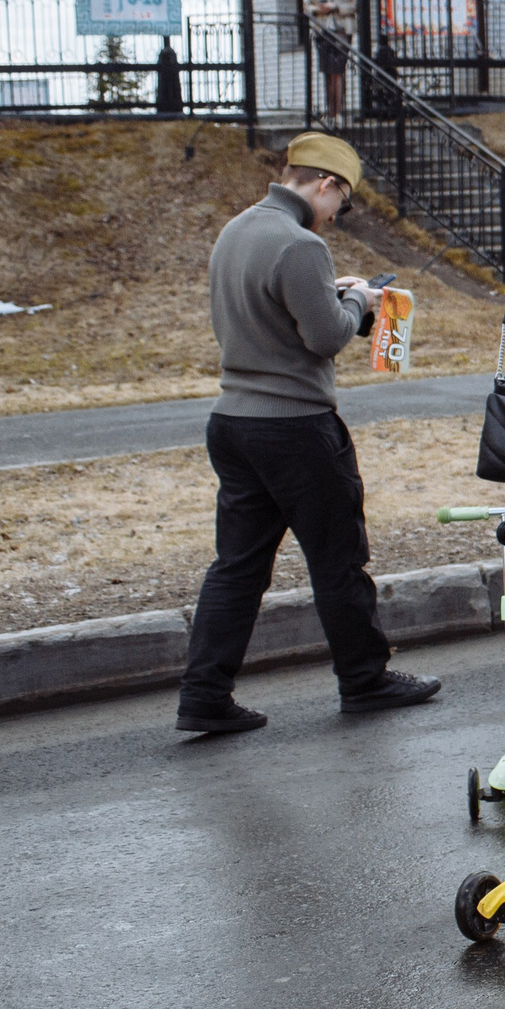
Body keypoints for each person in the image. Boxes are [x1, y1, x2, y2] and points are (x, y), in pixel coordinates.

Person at [175, 132, 440, 733]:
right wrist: (360, 305)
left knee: (237, 567)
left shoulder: (237, 229)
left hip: (234, 420)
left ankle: (204, 695)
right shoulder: (300, 244)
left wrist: (332, 294)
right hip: (296, 425)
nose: (338, 216)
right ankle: (365, 679)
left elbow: (271, 313)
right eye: (341, 203)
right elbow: (325, 337)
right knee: (338, 557)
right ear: (326, 183)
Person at [306, 0, 353, 121]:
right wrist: (317, 9)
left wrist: (336, 7)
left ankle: (339, 110)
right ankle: (330, 111)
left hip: (341, 28)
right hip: (323, 28)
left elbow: (355, 5)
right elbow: (308, 3)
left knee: (338, 69)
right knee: (326, 70)